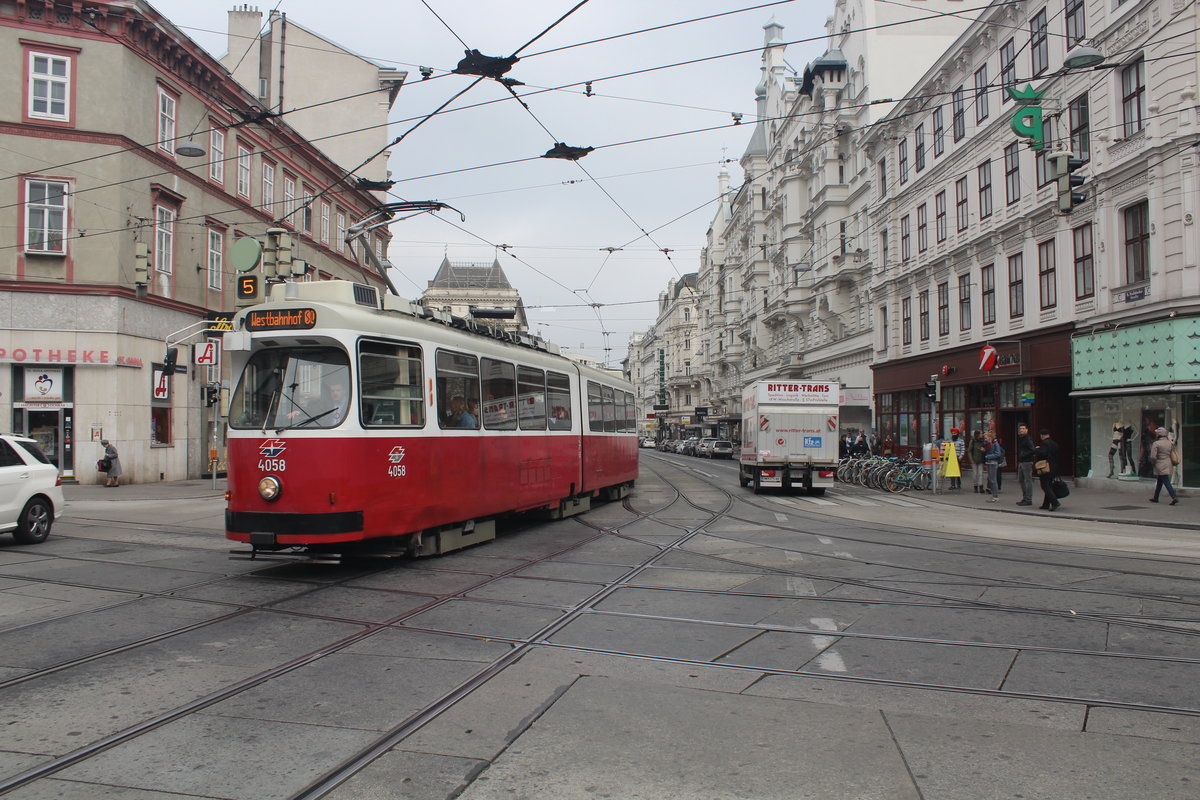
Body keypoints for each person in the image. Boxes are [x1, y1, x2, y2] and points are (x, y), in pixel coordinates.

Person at [1148, 427, 1180, 505]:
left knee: (1165, 481)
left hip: (1159, 464)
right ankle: (1155, 497)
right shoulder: (1169, 442)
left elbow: (1153, 456)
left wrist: (1153, 462)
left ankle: (1174, 496)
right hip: (1168, 463)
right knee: (1160, 480)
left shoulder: (1156, 443)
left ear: (1159, 434)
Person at [1033, 428, 1061, 511]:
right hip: (1054, 467)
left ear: (1042, 435)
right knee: (1048, 485)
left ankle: (1055, 502)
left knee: (1045, 485)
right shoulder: (1054, 443)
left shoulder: (1045, 443)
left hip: (1046, 468)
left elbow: (1043, 453)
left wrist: (1037, 449)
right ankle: (1046, 504)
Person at [1015, 423, 1036, 506]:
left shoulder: (1028, 439)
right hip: (1021, 461)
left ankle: (1028, 499)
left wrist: (1024, 455)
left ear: (1027, 430)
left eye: (1023, 428)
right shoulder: (1021, 438)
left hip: (1027, 462)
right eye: (1020, 429)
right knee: (1021, 480)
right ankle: (1024, 497)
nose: (1021, 430)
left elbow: (1033, 450)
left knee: (1027, 480)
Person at [983, 430, 1003, 502]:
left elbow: (998, 454)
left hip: (993, 463)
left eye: (987, 437)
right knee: (990, 480)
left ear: (990, 437)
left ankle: (995, 496)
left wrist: (988, 456)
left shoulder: (995, 444)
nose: (986, 439)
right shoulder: (989, 444)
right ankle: (993, 495)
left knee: (993, 480)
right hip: (989, 463)